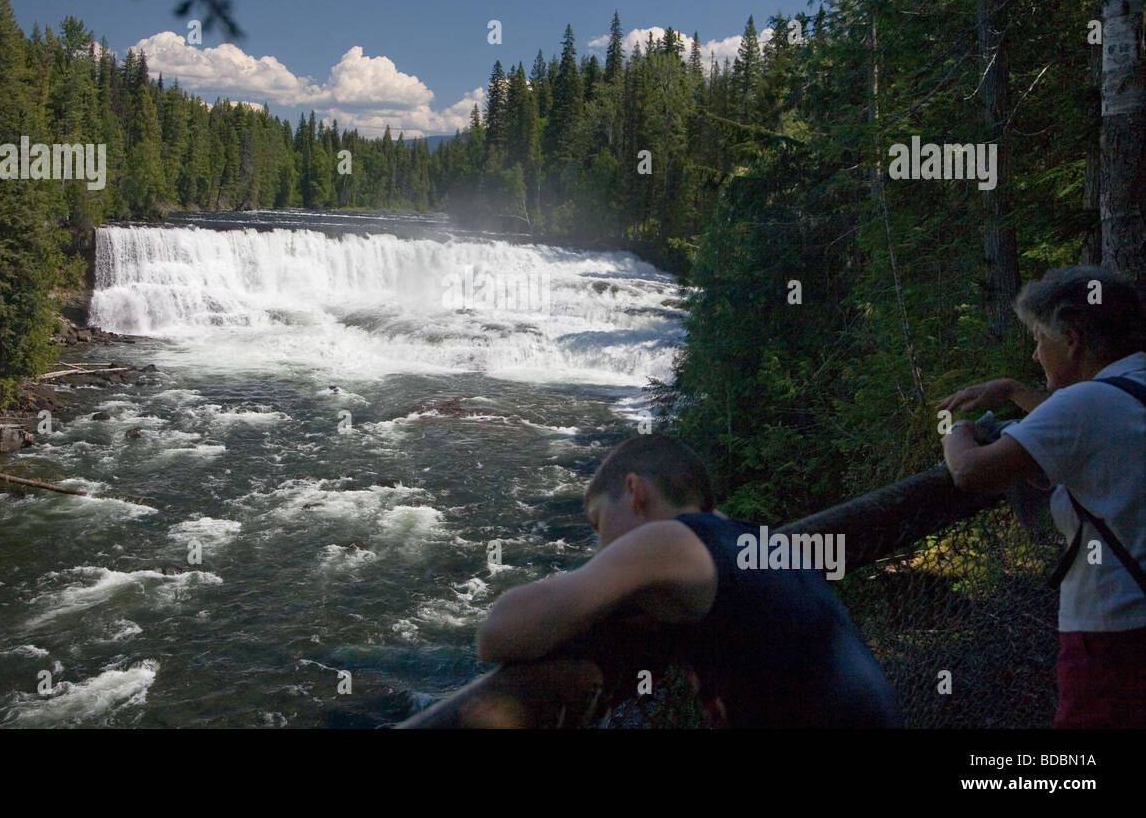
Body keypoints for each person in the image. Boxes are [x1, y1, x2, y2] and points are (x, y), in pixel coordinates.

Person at [475, 433, 902, 727]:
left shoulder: (670, 539)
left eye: (599, 522)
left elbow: (498, 632)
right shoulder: (756, 538)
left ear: (635, 491)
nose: (599, 549)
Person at [938, 265, 1146, 728]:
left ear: (1070, 337)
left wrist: (958, 433)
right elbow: (1089, 425)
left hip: (1113, 636)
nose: (1034, 353)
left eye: (1037, 337)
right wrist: (1013, 391)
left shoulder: (1086, 405)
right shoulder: (1130, 387)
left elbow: (972, 474)